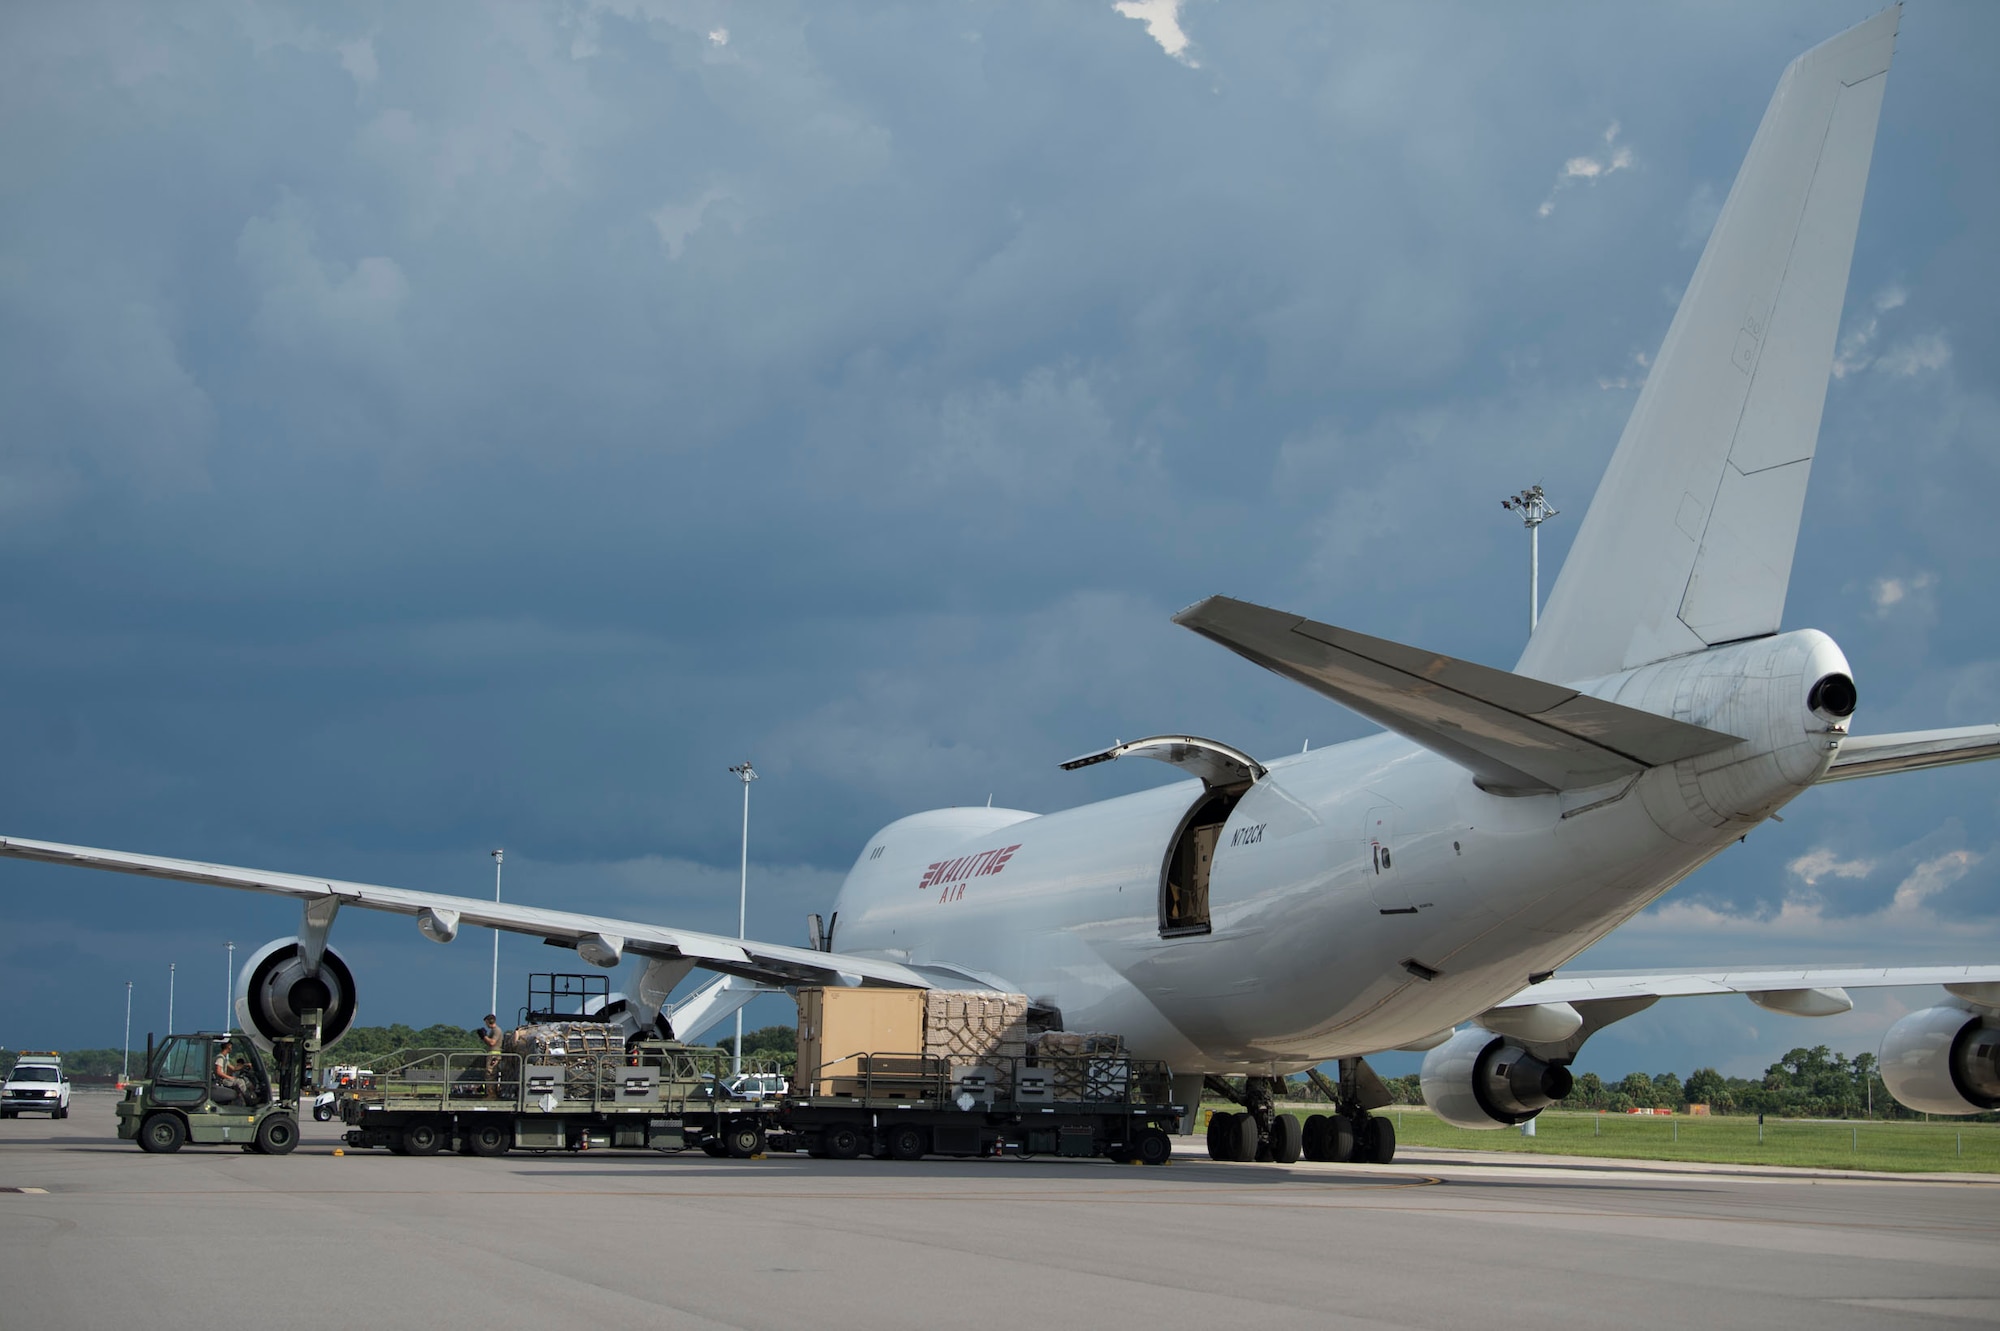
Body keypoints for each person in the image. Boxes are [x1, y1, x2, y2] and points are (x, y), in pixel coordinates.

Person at [212, 1037, 252, 1105]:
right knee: (240, 1081)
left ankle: (240, 1102)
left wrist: (245, 1065)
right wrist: (229, 1077)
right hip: (221, 1081)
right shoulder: (220, 1058)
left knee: (240, 1081)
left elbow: (233, 1068)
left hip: (223, 1079)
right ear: (228, 1046)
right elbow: (218, 1072)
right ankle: (249, 1100)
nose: (232, 1048)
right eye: (231, 1046)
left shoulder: (224, 1059)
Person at [479, 1014, 502, 1098]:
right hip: (492, 1053)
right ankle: (490, 1093)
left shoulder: (496, 1030)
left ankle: (491, 1094)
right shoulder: (493, 1030)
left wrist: (484, 1036)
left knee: (490, 1074)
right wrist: (483, 1038)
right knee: (489, 1074)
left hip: (494, 1054)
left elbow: (492, 1042)